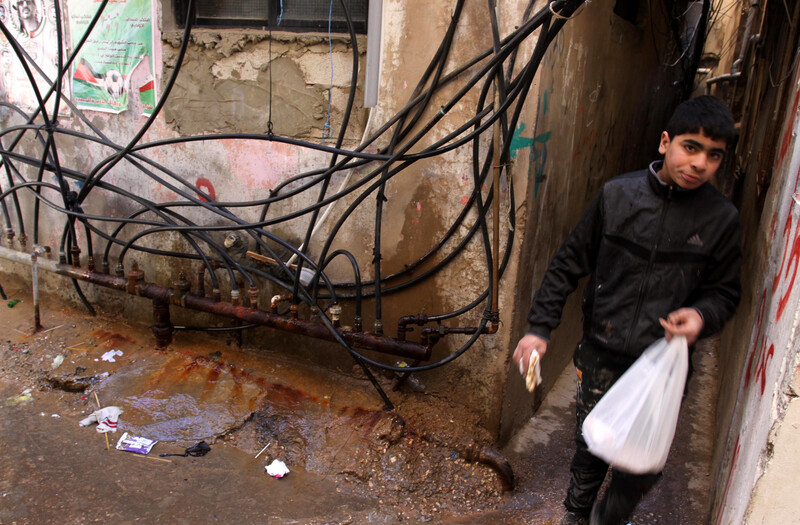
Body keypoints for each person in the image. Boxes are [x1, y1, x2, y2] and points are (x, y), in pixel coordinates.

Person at [512, 95, 741, 525]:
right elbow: (567, 263)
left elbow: (726, 293)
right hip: (602, 350)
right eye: (690, 147)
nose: (699, 163)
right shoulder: (617, 196)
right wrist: (540, 328)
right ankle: (575, 515)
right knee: (593, 442)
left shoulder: (721, 220)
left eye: (714, 156)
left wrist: (701, 317)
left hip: (662, 364)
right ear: (665, 142)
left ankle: (609, 518)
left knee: (643, 463)